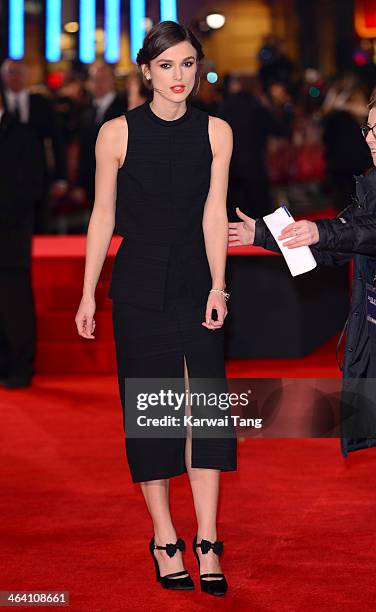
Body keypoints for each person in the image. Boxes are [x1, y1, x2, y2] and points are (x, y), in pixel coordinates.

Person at [75, 21, 236, 596]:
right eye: (166, 66)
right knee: (155, 411)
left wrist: (220, 286)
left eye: (188, 64)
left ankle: (209, 538)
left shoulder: (217, 131)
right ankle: (165, 535)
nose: (177, 76)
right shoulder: (115, 134)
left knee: (207, 409)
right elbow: (101, 217)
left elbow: (214, 213)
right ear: (146, 71)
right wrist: (88, 290)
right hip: (140, 282)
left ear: (198, 68)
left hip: (197, 281)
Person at [228, 93, 376, 457]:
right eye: (369, 128)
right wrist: (262, 234)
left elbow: (366, 231)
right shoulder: (372, 184)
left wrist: (322, 231)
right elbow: (339, 248)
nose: (370, 138)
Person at [0, 87, 44, 388]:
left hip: (11, 234)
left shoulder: (24, 135)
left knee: (14, 304)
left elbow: (33, 185)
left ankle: (21, 365)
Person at [1, 59, 68, 232]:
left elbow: (57, 141)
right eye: (11, 72)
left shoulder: (42, 103)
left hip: (37, 180)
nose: (16, 77)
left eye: (20, 73)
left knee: (39, 228)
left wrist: (61, 177)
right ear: (3, 76)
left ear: (27, 76)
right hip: (5, 181)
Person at [72, 64, 126, 207]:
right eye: (94, 79)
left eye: (103, 79)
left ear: (113, 81)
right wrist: (80, 184)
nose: (98, 84)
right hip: (92, 183)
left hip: (119, 185)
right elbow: (84, 151)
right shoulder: (86, 112)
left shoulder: (124, 108)